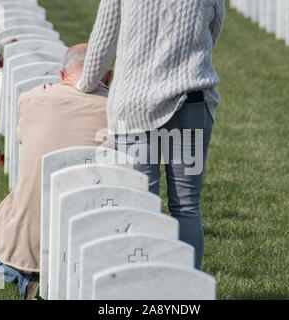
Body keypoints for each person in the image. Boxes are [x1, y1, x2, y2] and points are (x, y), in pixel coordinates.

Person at [77, 0, 225, 269]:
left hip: (136, 104)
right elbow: (213, 30)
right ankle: (187, 291)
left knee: (142, 204)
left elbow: (105, 36)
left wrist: (87, 82)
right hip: (190, 98)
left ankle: (144, 287)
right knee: (187, 206)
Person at [0, 44, 113, 299]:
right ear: (109, 76)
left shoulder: (35, 100)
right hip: (96, 236)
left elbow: (21, 137)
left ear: (62, 76)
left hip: (31, 240)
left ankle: (25, 278)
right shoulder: (117, 115)